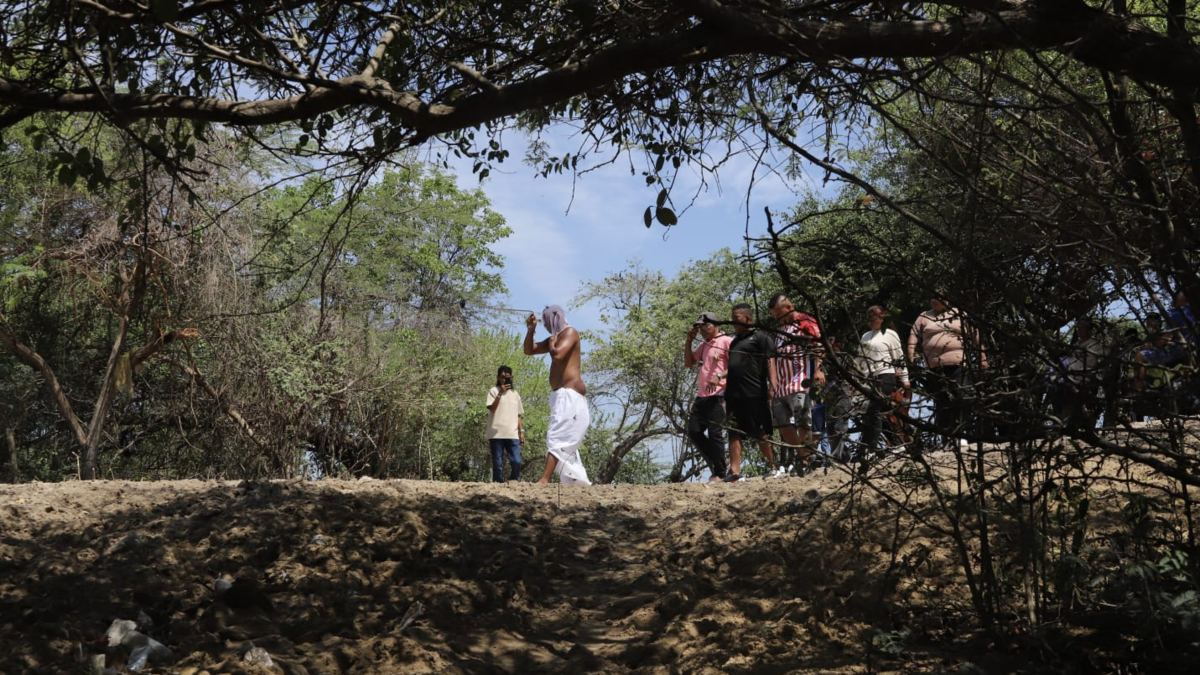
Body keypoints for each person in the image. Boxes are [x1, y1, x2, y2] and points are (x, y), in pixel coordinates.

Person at [907, 294, 988, 449]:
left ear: (947, 300)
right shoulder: (924, 316)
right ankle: (947, 436)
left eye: (937, 298)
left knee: (962, 396)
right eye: (931, 298)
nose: (933, 300)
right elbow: (913, 335)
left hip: (958, 363)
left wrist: (982, 356)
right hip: (934, 366)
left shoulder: (958, 314)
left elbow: (975, 335)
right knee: (941, 400)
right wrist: (910, 355)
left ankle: (962, 432)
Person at [524, 305, 591, 485]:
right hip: (560, 396)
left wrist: (552, 343)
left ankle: (544, 479)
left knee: (557, 435)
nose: (546, 326)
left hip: (571, 395)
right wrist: (531, 330)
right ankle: (576, 481)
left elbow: (559, 355)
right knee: (562, 437)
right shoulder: (555, 338)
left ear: (554, 319)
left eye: (547, 322)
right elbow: (529, 350)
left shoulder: (570, 333)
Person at [767, 293, 824, 476]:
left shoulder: (805, 322)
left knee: (803, 421)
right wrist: (773, 384)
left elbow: (818, 345)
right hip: (782, 385)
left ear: (789, 308)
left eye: (778, 315)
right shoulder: (781, 331)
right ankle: (803, 456)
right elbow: (774, 358)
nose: (777, 319)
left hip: (800, 381)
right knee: (782, 424)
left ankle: (806, 461)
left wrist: (818, 370)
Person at [723, 303, 778, 482]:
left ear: (747, 318)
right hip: (733, 395)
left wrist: (773, 385)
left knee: (760, 432)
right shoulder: (734, 341)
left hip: (754, 394)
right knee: (733, 431)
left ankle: (772, 467)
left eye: (736, 319)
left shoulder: (761, 338)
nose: (733, 323)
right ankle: (735, 472)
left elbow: (770, 361)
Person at [684, 312, 733, 482]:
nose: (702, 330)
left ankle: (720, 473)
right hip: (702, 395)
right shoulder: (704, 345)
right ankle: (720, 462)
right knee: (694, 431)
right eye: (700, 328)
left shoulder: (726, 341)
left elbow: (737, 365)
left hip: (719, 394)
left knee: (715, 433)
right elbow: (689, 363)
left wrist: (719, 375)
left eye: (705, 326)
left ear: (714, 325)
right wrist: (689, 340)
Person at [859, 305, 911, 456]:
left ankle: (872, 447)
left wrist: (905, 379)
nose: (870, 321)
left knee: (874, 410)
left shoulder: (890, 334)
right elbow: (861, 360)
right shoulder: (865, 336)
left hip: (886, 375)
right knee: (880, 412)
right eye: (868, 318)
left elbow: (898, 357)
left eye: (873, 318)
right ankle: (896, 443)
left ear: (882, 317)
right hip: (870, 379)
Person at [485, 365, 525, 482]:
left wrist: (521, 431)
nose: (504, 380)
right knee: (498, 463)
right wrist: (500, 393)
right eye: (502, 377)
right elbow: (492, 408)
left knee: (516, 461)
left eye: (507, 377)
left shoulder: (515, 394)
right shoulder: (493, 391)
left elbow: (518, 414)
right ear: (498, 377)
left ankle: (513, 481)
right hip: (496, 433)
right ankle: (497, 484)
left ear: (511, 377)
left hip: (512, 434)